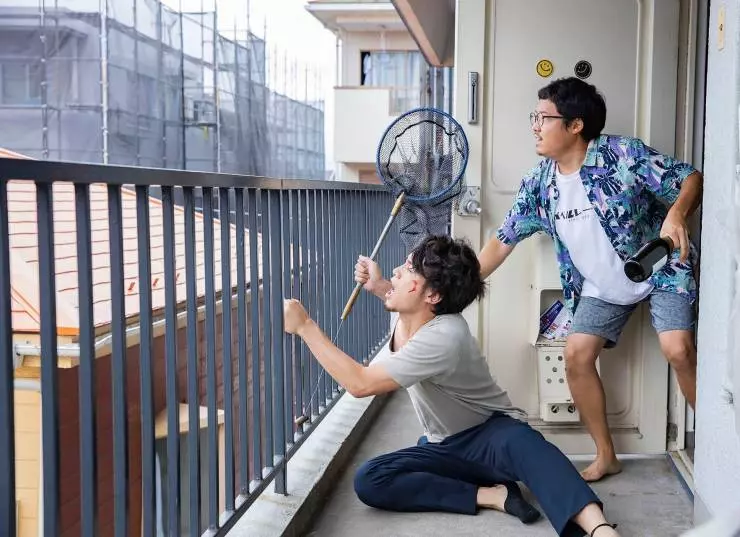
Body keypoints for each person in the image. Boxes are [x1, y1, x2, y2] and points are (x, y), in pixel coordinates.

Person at [284, 235, 620, 537]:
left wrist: (306, 326)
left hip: (491, 435)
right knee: (371, 479)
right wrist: (380, 286)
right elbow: (407, 301)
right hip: (443, 444)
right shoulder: (411, 313)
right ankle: (491, 495)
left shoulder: (445, 336)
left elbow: (360, 384)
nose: (397, 273)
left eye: (407, 269)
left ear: (432, 294)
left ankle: (599, 529)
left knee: (527, 445)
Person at [478, 76, 703, 482]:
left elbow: (690, 178)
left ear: (575, 125)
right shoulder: (540, 184)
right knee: (577, 355)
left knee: (678, 349)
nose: (535, 127)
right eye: (534, 118)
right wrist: (453, 289)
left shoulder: (623, 154)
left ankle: (715, 442)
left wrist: (676, 214)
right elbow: (500, 243)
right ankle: (606, 455)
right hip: (602, 285)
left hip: (661, 266)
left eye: (543, 118)